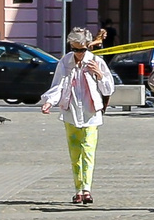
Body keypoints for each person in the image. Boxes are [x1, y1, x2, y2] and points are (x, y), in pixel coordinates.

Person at [38, 28, 116, 204]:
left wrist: (99, 74)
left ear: (88, 46)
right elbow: (58, 85)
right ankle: (78, 190)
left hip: (91, 113)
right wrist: (49, 101)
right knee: (75, 153)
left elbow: (108, 89)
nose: (78, 54)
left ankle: (87, 189)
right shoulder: (65, 62)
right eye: (75, 49)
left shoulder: (97, 61)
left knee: (88, 151)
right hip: (70, 111)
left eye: (82, 49)